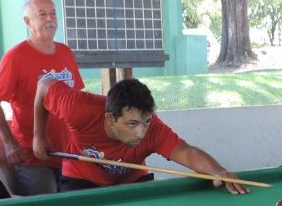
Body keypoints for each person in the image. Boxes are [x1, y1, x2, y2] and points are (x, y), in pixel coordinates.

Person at [33, 76, 249, 194]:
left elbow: (187, 152)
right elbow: (44, 85)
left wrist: (218, 171)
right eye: (132, 124)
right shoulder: (78, 108)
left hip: (132, 181)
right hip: (81, 180)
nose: (141, 133)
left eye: (146, 122)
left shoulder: (153, 129)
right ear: (110, 119)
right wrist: (39, 136)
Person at [0, 0, 84, 195]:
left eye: (53, 13)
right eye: (42, 14)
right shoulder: (15, 56)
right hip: (33, 156)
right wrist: (9, 143)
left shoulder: (66, 52)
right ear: (27, 21)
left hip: (70, 152)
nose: (50, 19)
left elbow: (78, 99)